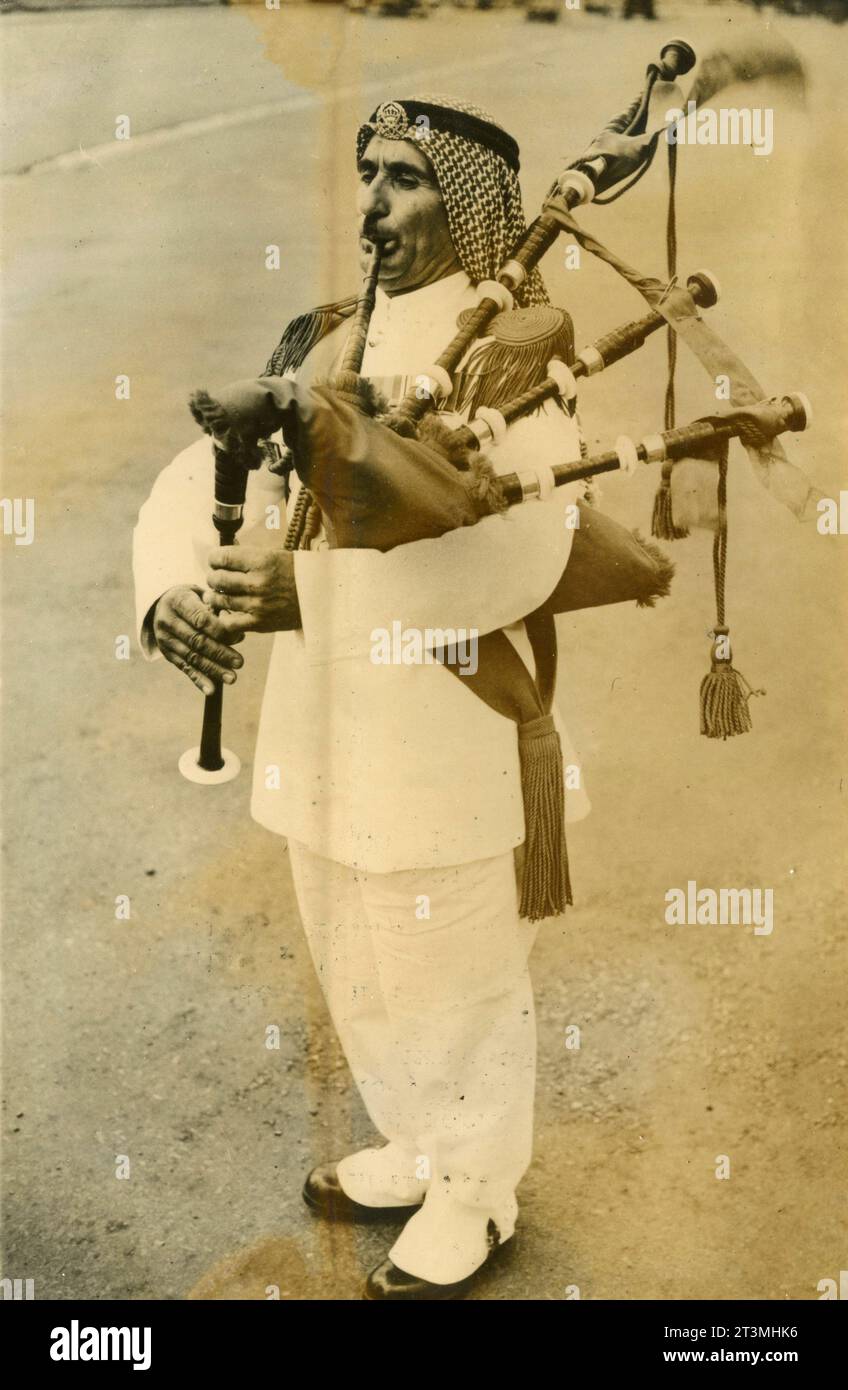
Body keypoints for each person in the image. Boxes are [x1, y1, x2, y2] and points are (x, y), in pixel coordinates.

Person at [133, 95, 589, 1300]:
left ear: (468, 205)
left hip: (445, 726)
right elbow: (207, 469)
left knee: (450, 967)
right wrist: (169, 588)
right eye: (365, 175)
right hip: (320, 729)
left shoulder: (519, 353)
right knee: (354, 953)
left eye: (401, 179)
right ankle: (417, 1140)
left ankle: (478, 1190)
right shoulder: (325, 338)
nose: (372, 205)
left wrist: (309, 599)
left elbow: (519, 557)